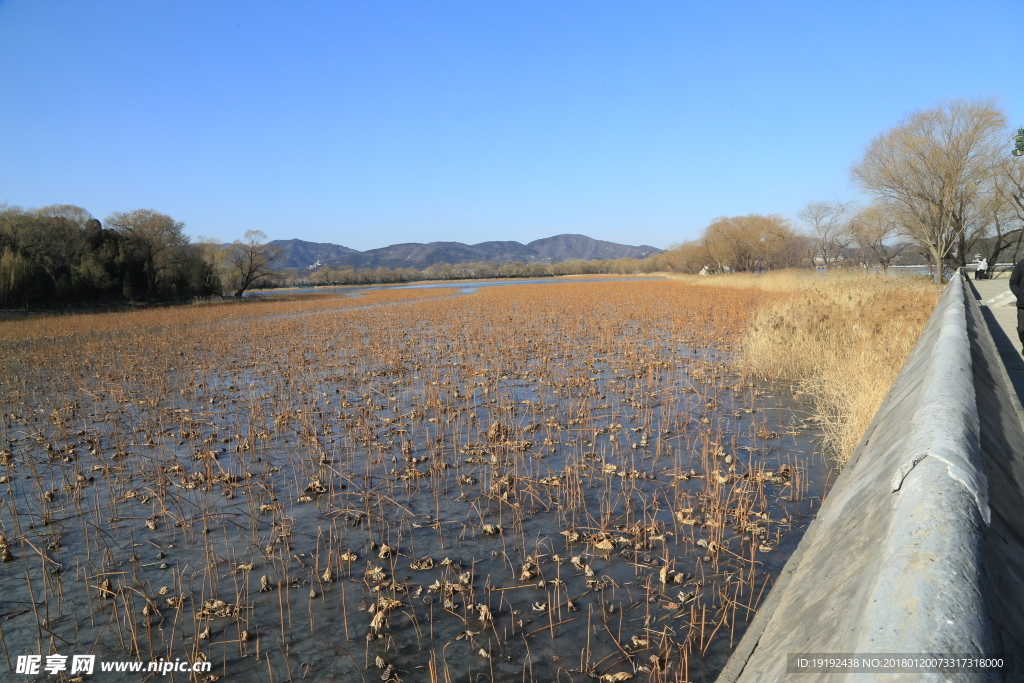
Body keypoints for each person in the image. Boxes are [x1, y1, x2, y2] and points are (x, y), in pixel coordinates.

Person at [1009, 258, 1024, 353]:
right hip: (1023, 304)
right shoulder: (1021, 264)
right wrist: (1020, 295)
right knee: (1021, 329)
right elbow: (1013, 282)